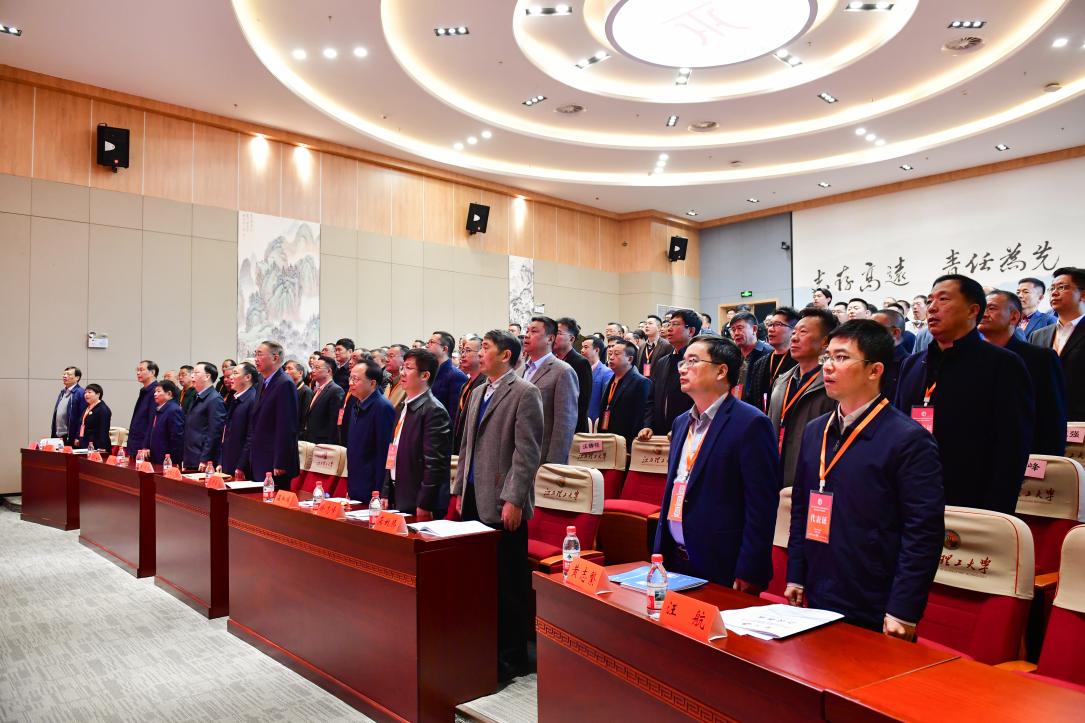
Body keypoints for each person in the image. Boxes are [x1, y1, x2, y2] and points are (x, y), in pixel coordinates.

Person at [785, 320, 944, 639]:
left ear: (874, 371)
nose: (828, 366)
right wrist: (796, 574)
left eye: (842, 357)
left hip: (874, 595)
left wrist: (903, 609)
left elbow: (923, 531)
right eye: (827, 357)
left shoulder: (908, 439)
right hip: (818, 584)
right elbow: (801, 507)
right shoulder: (817, 430)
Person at [896, 275, 1034, 513]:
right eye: (930, 301)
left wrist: (996, 510)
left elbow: (1013, 445)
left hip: (973, 499)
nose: (932, 307)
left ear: (972, 310)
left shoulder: (1003, 364)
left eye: (943, 299)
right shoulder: (913, 364)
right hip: (911, 494)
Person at [452, 330, 544, 682]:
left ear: (506, 355)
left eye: (486, 348)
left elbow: (527, 452)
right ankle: (485, 646)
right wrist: (459, 490)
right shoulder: (478, 391)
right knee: (479, 578)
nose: (479, 354)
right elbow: (467, 446)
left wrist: (514, 498)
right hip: (474, 496)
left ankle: (512, 655)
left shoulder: (525, 392)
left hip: (503, 500)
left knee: (508, 582)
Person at [652, 335, 778, 591]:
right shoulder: (681, 422)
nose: (683, 368)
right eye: (682, 362)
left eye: (693, 361)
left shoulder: (751, 423)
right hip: (675, 558)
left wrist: (749, 568)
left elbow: (761, 505)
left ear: (721, 371)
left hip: (722, 563)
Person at [980, 291, 1067, 456]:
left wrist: (1046, 460)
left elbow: (1053, 417)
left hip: (1023, 455)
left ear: (1014, 317)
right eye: (982, 308)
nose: (983, 314)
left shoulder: (1040, 358)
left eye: (991, 308)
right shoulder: (971, 357)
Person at [768, 308, 839, 489]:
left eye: (803, 332)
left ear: (825, 342)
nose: (794, 338)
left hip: (813, 479)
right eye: (794, 332)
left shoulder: (833, 384)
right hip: (775, 473)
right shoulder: (782, 380)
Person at [383, 349, 452, 520]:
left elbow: (435, 464)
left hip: (420, 501)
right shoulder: (403, 407)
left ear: (425, 375)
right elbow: (392, 450)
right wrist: (386, 491)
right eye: (402, 367)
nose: (402, 372)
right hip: (398, 493)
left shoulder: (433, 410)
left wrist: (425, 503)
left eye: (408, 368)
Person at [240, 341, 300, 490]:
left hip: (274, 461)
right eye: (255, 354)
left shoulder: (285, 383)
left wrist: (281, 461)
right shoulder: (262, 380)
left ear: (275, 358)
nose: (256, 359)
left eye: (260, 354)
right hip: (258, 457)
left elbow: (287, 426)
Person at [1029, 267, 1085, 422]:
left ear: (1083, 295)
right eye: (1052, 288)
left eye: (1062, 287)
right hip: (1045, 421)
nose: (1054, 293)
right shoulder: (1038, 335)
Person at [520, 316, 578, 464]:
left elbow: (565, 424)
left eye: (534, 331)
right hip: (517, 455)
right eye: (527, 331)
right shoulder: (521, 370)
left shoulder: (563, 371)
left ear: (550, 339)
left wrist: (553, 464)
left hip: (542, 456)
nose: (527, 335)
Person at [640, 309, 700, 437]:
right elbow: (651, 398)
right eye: (669, 324)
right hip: (659, 432)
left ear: (691, 331)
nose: (669, 329)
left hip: (688, 432)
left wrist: (685, 427)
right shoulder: (662, 362)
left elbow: (700, 401)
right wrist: (647, 425)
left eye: (675, 324)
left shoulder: (698, 362)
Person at [347, 361, 397, 500]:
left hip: (372, 487)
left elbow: (384, 453)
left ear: (372, 383)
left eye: (356, 379)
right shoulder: (357, 404)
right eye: (350, 378)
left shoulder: (382, 407)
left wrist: (380, 491)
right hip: (356, 482)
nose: (350, 383)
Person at [598, 340, 651, 449]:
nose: (611, 357)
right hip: (607, 440)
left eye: (616, 354)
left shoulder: (641, 382)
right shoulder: (609, 382)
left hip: (627, 443)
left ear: (630, 359)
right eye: (610, 353)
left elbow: (641, 417)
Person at [742, 307, 798, 412]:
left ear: (793, 330)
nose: (771, 329)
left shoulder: (798, 362)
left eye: (778, 324)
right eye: (770, 325)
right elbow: (752, 398)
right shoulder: (760, 363)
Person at [181, 362, 227, 470]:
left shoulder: (215, 399)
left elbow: (215, 432)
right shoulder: (196, 396)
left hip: (202, 460)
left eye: (196, 373)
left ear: (207, 377)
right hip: (191, 456)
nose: (192, 376)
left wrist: (206, 458)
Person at [554, 317, 593, 434]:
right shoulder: (552, 360)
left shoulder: (581, 362)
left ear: (571, 338)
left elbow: (582, 401)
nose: (553, 336)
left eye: (558, 333)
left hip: (573, 428)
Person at [221, 362, 258, 479]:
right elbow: (226, 432)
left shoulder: (253, 400)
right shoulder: (236, 397)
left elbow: (251, 436)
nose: (231, 377)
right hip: (229, 459)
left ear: (247, 377)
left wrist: (241, 465)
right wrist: (221, 461)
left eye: (235, 373)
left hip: (240, 464)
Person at [427, 330, 469, 430]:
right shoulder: (429, 373)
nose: (428, 345)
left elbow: (454, 416)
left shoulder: (456, 376)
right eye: (428, 342)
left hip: (441, 433)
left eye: (432, 342)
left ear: (444, 349)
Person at [453, 335, 487, 453]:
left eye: (468, 351)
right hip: (460, 446)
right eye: (462, 351)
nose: (463, 355)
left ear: (481, 354)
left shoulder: (486, 384)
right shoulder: (465, 385)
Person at [301, 355, 345, 444]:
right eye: (313, 368)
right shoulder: (318, 389)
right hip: (310, 439)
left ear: (328, 371)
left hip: (323, 442)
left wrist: (330, 444)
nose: (313, 371)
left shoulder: (336, 390)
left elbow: (334, 422)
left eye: (317, 368)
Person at [728, 311, 772, 398]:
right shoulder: (732, 354)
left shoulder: (769, 353)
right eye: (733, 330)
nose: (736, 333)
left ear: (754, 329)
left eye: (740, 328)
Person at [871, 308, 910, 402]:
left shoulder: (910, 365)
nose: (867, 334)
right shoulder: (867, 360)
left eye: (874, 329)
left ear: (895, 332)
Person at [126, 360, 160, 456]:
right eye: (137, 370)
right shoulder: (144, 390)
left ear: (152, 372)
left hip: (144, 445)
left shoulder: (155, 391)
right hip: (136, 441)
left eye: (141, 370)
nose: (138, 373)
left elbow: (153, 421)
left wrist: (146, 445)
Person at [147, 379, 184, 465]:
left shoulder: (174, 410)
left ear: (169, 394)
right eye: (155, 391)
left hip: (167, 460)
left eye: (158, 391)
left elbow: (177, 438)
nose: (155, 394)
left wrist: (173, 460)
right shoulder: (159, 409)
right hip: (156, 457)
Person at [581, 336, 613, 426]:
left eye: (586, 347)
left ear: (596, 350)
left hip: (595, 422)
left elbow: (606, 403)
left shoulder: (606, 373)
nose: (582, 350)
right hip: (580, 419)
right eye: (582, 347)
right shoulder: (580, 370)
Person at [50, 366, 86, 446]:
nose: (65, 376)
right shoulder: (63, 392)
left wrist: (78, 436)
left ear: (77, 378)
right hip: (58, 435)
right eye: (64, 374)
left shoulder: (81, 393)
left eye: (68, 374)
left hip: (70, 436)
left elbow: (82, 417)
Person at [72, 383, 111, 452]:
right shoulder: (87, 407)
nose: (86, 394)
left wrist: (102, 447)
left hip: (97, 445)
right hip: (84, 442)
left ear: (98, 394)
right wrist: (78, 437)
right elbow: (82, 424)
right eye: (85, 392)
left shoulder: (103, 409)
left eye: (89, 392)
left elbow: (104, 430)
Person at [284, 360, 313, 427]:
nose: (286, 372)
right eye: (286, 369)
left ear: (300, 373)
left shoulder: (306, 391)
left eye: (290, 369)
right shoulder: (286, 389)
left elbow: (304, 417)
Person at [385, 343, 409, 411]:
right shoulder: (389, 381)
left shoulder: (408, 384)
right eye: (386, 356)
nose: (387, 360)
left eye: (391, 356)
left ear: (405, 360)